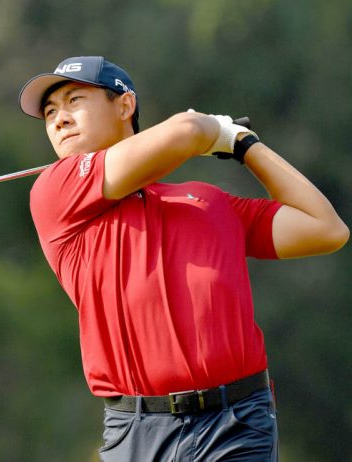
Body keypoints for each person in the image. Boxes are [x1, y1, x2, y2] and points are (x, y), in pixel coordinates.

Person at [18, 56, 349, 461]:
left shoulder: (208, 202)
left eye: (74, 100)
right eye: (50, 112)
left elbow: (325, 228)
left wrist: (245, 145)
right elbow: (188, 131)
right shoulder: (56, 190)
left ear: (124, 105)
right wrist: (212, 129)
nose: (60, 119)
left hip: (237, 423)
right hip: (135, 430)